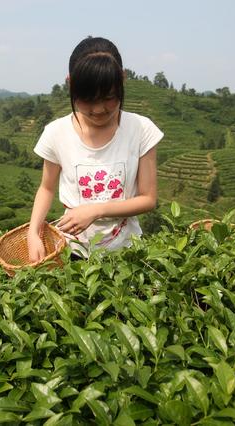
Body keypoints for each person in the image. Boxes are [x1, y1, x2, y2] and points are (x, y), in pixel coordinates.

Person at [27, 36, 164, 261]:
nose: (99, 109)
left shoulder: (141, 129)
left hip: (127, 252)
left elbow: (148, 198)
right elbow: (47, 188)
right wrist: (33, 233)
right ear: (71, 85)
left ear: (122, 80)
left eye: (109, 97)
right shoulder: (56, 132)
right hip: (73, 250)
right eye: (87, 99)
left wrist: (96, 210)